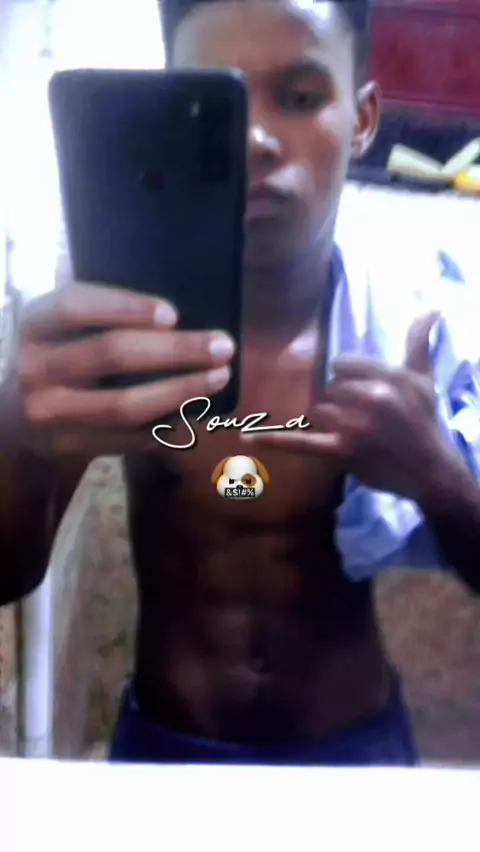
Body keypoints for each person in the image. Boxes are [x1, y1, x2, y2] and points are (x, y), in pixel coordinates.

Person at [1, 0, 480, 766]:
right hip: (167, 750)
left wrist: (438, 475)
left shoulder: (413, 332)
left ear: (362, 120)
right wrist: (19, 438)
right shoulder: (118, 333)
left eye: (299, 96)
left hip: (352, 750)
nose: (255, 138)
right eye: (217, 99)